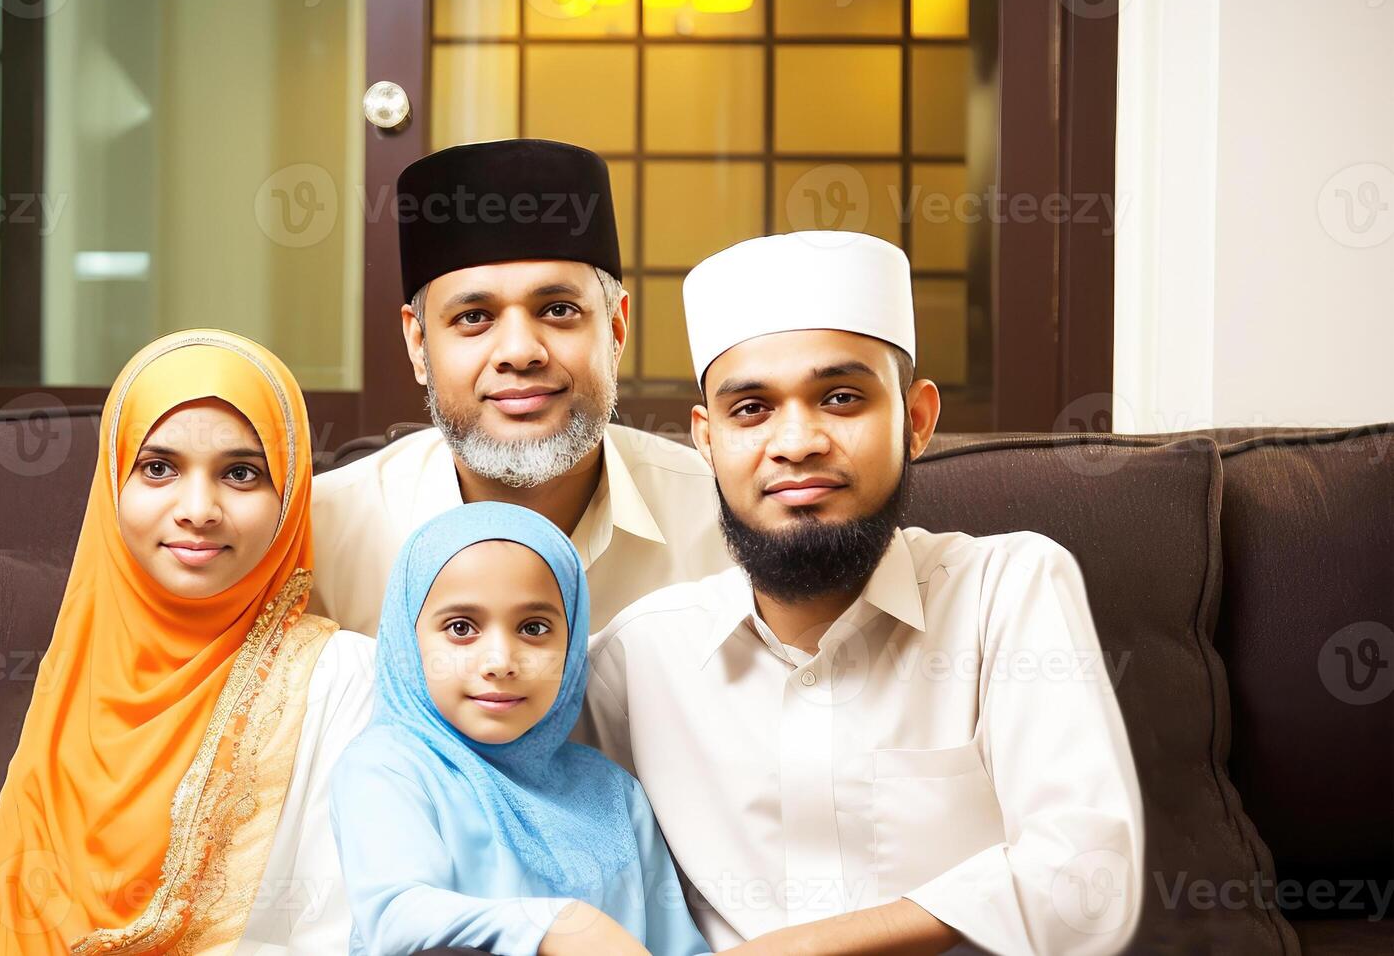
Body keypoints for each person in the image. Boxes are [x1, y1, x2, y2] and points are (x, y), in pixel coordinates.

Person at [582, 232, 1145, 955]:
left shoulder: (1008, 589)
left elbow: (1086, 883)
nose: (797, 441)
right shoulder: (639, 658)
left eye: (841, 398)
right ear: (706, 438)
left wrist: (802, 948)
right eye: (751, 409)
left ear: (916, 420)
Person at [0, 329, 374, 955]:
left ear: (289, 494)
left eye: (241, 473)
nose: (198, 509)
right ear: (112, 483)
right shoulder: (73, 676)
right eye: (159, 468)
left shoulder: (340, 683)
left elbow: (341, 938)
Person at [312, 138, 732, 636]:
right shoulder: (324, 537)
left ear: (616, 331)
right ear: (418, 343)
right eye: (474, 317)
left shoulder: (725, 522)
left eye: (558, 310)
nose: (519, 351)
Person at [330, 501, 709, 956]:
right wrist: (558, 925)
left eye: (533, 628)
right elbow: (397, 920)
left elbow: (677, 947)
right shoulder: (390, 766)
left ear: (572, 643)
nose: (500, 663)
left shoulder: (612, 791)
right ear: (408, 639)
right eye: (461, 627)